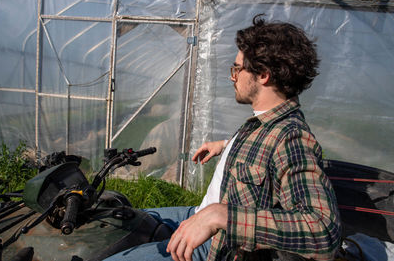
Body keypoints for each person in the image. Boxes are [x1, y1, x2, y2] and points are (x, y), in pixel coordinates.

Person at [105, 14, 341, 261]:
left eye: (238, 68)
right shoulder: (263, 123)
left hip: (218, 245)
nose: (233, 76)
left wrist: (220, 215)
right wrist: (225, 146)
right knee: (119, 224)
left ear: (263, 75)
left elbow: (322, 230)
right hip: (197, 212)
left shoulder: (292, 138)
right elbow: (263, 154)